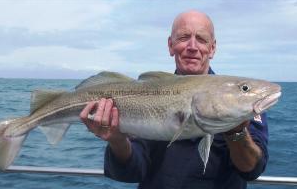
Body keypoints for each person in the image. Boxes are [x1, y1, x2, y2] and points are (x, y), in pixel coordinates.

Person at [79, 10, 268, 189]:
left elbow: (251, 170)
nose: (192, 47)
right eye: (184, 37)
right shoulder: (145, 96)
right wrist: (118, 141)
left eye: (201, 39)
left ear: (212, 48)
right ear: (171, 45)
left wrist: (236, 132)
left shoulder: (241, 102)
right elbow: (131, 172)